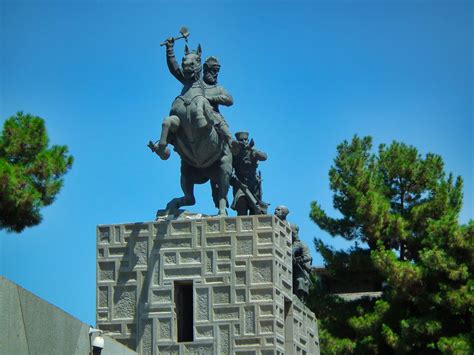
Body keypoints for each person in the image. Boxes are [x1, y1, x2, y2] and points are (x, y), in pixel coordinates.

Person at [231, 132, 268, 215]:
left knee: (255, 210)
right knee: (241, 204)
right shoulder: (234, 153)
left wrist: (252, 149)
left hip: (253, 185)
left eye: (246, 140)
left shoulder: (252, 151)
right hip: (240, 184)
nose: (244, 142)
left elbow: (264, 157)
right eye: (241, 140)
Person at [291, 223, 312, 303]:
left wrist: (298, 260)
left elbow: (308, 257)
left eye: (292, 232)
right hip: (292, 268)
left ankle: (301, 299)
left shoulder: (302, 244)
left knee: (300, 280)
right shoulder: (289, 244)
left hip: (301, 268)